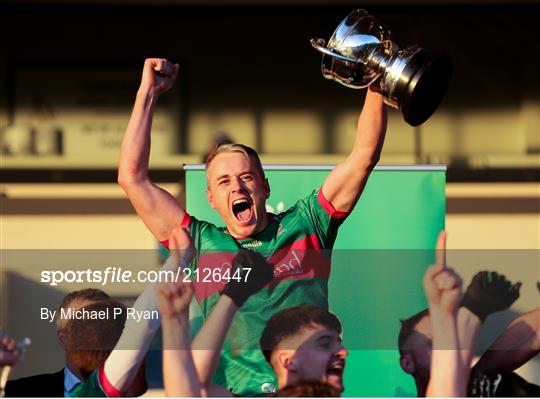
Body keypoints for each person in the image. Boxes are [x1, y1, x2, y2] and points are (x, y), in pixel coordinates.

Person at [118, 57, 387, 395]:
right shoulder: (199, 242)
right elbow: (132, 178)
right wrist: (149, 91)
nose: (237, 188)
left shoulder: (307, 223)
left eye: (246, 178)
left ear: (265, 187)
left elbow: (364, 156)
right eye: (224, 182)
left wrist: (377, 80)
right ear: (211, 199)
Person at [399, 268, 538, 397]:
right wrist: (475, 309)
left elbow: (530, 335)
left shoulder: (481, 381)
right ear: (407, 364)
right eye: (434, 342)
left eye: (453, 337)